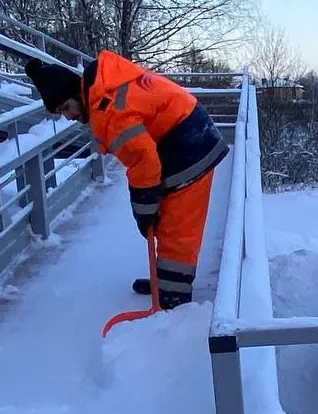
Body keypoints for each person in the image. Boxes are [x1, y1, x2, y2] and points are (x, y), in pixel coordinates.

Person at [24, 51, 228, 309]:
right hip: (181, 137)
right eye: (60, 113)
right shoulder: (106, 85)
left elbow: (144, 162)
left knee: (177, 230)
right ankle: (164, 282)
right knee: (165, 221)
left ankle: (174, 303)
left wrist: (144, 210)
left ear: (77, 93)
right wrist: (148, 209)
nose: (68, 116)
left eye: (66, 107)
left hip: (190, 146)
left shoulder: (108, 110)